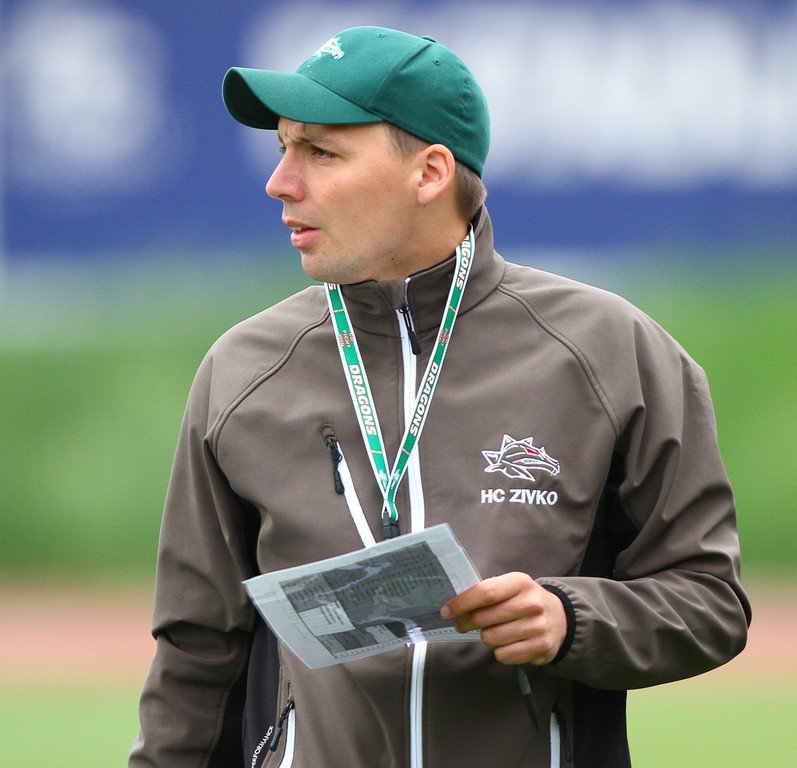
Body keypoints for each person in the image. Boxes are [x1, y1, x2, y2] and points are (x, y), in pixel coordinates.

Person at [130, 25, 750, 768]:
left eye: (320, 153)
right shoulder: (243, 370)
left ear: (429, 174)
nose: (280, 182)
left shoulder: (609, 350)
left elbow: (708, 602)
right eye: (283, 148)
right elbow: (197, 650)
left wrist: (570, 618)